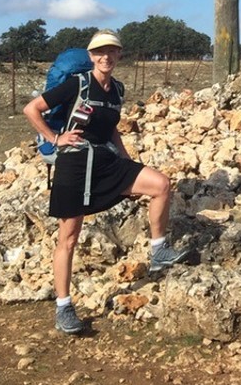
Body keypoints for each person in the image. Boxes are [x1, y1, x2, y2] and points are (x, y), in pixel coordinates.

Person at [23, 30, 186, 334]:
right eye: (99, 52)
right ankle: (64, 307)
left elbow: (111, 129)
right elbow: (31, 109)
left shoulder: (117, 90)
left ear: (119, 55)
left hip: (107, 162)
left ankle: (159, 249)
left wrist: (126, 160)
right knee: (68, 238)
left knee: (161, 185)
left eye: (111, 51)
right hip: (74, 164)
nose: (105, 57)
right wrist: (55, 138)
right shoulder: (78, 84)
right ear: (91, 56)